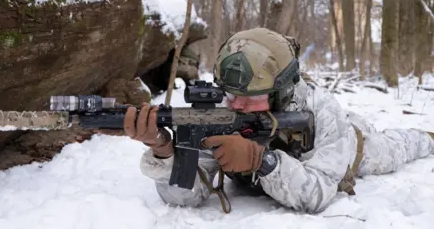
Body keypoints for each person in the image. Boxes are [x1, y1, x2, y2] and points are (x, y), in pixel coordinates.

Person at [119, 28, 434, 214]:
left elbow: (320, 193)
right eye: (229, 93)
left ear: (279, 92)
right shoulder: (219, 112)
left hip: (351, 143)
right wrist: (163, 150)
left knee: (399, 146)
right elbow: (185, 197)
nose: (236, 103)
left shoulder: (319, 109)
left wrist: (260, 160)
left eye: (249, 95)